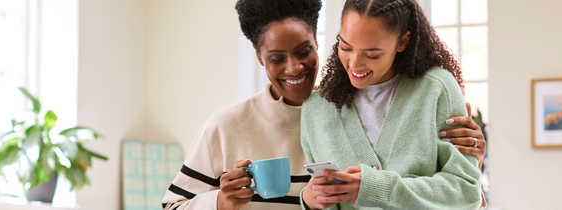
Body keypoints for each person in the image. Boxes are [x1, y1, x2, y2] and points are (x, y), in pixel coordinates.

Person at [160, 1, 485, 210]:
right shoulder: (230, 125)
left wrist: (473, 157)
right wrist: (221, 200)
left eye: (303, 52)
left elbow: (469, 195)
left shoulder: (432, 89)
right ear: (259, 58)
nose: (293, 68)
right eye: (276, 58)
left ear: (317, 43)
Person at [295, 0, 481, 209]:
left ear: (403, 41)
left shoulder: (437, 90)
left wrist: (377, 188)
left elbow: (467, 194)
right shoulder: (316, 108)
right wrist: (309, 201)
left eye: (372, 54)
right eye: (345, 47)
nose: (354, 64)